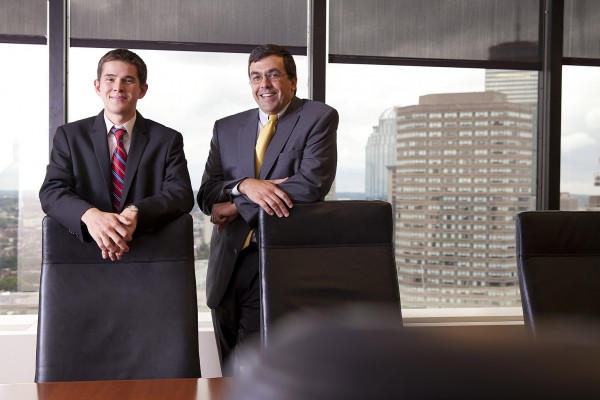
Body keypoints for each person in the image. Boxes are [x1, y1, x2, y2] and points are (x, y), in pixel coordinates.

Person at [197, 44, 338, 374]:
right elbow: (206, 194)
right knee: (229, 370)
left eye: (274, 75)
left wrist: (237, 205)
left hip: (277, 262)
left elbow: (310, 185)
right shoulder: (226, 127)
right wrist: (244, 185)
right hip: (228, 265)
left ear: (293, 81)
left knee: (258, 373)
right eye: (256, 77)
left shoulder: (317, 117)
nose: (265, 84)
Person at [40, 49, 194, 261]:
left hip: (150, 257)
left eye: (128, 80)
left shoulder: (167, 139)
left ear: (142, 89)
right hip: (81, 259)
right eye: (110, 79)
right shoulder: (70, 136)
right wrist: (91, 215)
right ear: (98, 86)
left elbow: (181, 194)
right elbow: (51, 191)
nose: (118, 88)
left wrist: (136, 211)